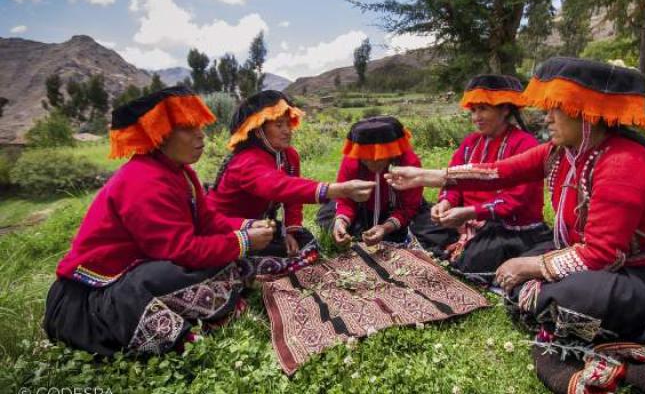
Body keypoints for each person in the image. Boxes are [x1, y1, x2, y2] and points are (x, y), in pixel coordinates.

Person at [384, 57, 645, 393]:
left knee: (555, 291)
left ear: (586, 112)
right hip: (605, 268)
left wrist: (530, 266)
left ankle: (625, 330)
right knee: (531, 281)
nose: (546, 116)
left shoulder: (623, 162)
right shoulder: (563, 151)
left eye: (556, 107)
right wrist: (429, 177)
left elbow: (601, 254)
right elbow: (499, 172)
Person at [43, 86, 284, 356]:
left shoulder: (182, 173)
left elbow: (207, 221)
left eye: (199, 126)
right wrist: (242, 242)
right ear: (158, 136)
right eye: (188, 129)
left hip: (145, 265)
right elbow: (182, 251)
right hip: (93, 296)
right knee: (170, 273)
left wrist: (244, 228)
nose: (200, 135)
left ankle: (216, 301)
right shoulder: (142, 180)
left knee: (233, 254)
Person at [207, 90, 374, 260]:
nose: (287, 131)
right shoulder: (246, 161)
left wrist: (290, 231)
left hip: (259, 225)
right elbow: (279, 187)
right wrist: (337, 190)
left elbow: (292, 199)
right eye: (279, 125)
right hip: (224, 225)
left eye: (288, 124)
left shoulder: (289, 156)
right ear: (258, 130)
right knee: (267, 253)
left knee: (305, 243)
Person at [433, 74, 552, 285]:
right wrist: (446, 202)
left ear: (505, 109)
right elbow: (453, 181)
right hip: (469, 222)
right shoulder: (470, 143)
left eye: (483, 109)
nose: (476, 117)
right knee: (427, 227)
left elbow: (516, 200)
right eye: (473, 110)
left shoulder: (525, 145)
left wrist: (471, 212)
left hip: (509, 227)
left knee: (472, 262)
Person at [315, 116, 452, 250]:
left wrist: (385, 228)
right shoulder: (351, 161)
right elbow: (345, 200)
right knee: (330, 220)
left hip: (398, 209)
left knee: (433, 229)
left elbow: (408, 207)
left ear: (391, 153)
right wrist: (341, 222)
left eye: (378, 158)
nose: (372, 164)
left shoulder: (408, 162)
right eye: (365, 159)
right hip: (361, 209)